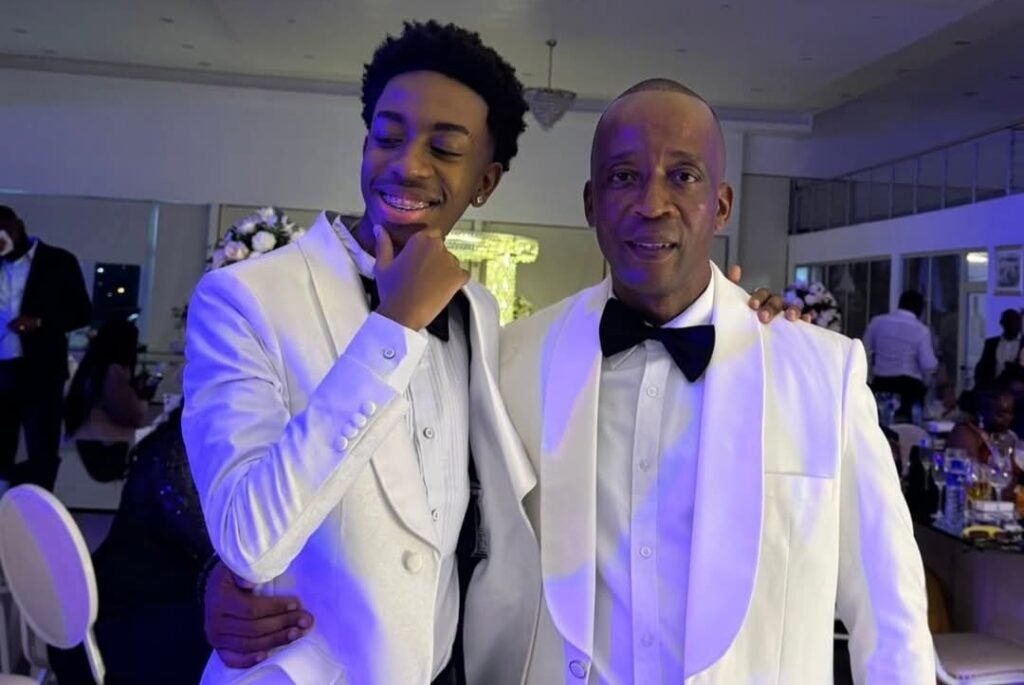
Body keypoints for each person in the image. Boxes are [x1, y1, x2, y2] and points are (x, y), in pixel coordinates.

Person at [188, 24, 796, 685]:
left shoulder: (480, 314)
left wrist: (742, 313)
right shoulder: (246, 298)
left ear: (485, 181)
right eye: (388, 137)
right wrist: (395, 326)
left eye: (445, 148)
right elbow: (245, 536)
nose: (409, 165)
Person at [497, 79, 932, 682]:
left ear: (722, 206)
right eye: (624, 177)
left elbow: (890, 611)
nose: (652, 203)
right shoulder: (515, 359)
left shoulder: (821, 373)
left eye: (683, 176)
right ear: (592, 203)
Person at [48, 403, 215, 685]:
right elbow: (228, 554)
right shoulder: (181, 454)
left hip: (100, 620)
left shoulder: (179, 442)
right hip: (115, 632)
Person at [0, 205, 92, 491]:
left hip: (41, 371)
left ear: (18, 226)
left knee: (42, 451)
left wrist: (39, 321)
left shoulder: (58, 262)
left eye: (4, 233)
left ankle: (37, 509)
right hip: (1, 370)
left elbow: (82, 313)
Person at [64, 319, 156, 482]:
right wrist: (143, 396)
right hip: (106, 445)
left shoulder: (90, 368)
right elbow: (131, 412)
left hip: (90, 442)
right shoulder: (113, 372)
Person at [862, 289, 937, 420]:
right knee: (908, 425)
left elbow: (864, 349)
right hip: (909, 387)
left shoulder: (877, 322)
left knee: (877, 421)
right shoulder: (921, 330)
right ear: (920, 309)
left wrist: (868, 376)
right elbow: (928, 364)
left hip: (881, 383)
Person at [946, 387, 1018, 464]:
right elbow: (967, 468)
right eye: (1000, 414)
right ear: (982, 412)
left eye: (1011, 413)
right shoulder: (964, 434)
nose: (1008, 419)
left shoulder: (1010, 437)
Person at [975, 308, 1023, 388]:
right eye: (1008, 322)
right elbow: (982, 367)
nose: (1012, 325)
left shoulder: (1022, 344)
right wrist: (981, 384)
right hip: (992, 388)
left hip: (1018, 390)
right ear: (1002, 323)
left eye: (1015, 322)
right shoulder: (991, 343)